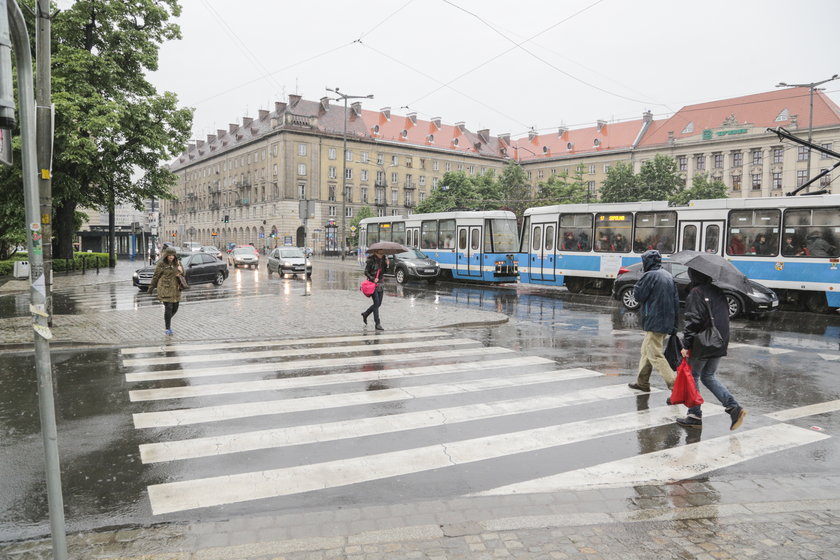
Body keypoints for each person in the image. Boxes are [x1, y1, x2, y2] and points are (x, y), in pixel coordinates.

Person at [677, 268, 747, 430]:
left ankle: (694, 415)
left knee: (693, 376)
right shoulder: (717, 291)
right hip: (719, 340)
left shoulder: (696, 292)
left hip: (704, 342)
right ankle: (733, 408)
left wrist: (686, 345)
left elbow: (693, 320)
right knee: (708, 376)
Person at [628, 250, 679, 392]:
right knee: (646, 351)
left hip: (654, 320)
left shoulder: (650, 275)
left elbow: (638, 296)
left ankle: (675, 385)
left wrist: (637, 284)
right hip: (665, 320)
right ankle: (642, 382)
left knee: (655, 354)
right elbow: (675, 301)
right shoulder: (668, 276)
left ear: (647, 262)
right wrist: (674, 324)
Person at [149, 247, 184, 336]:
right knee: (168, 308)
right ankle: (168, 328)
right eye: (169, 255)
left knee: (175, 308)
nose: (171, 257)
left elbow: (184, 274)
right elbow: (156, 276)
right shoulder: (161, 264)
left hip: (176, 289)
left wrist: (181, 270)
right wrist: (151, 288)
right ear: (166, 255)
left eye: (173, 255)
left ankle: (167, 319)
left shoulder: (178, 263)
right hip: (165, 288)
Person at [361, 248, 387, 331]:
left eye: (383, 251)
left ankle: (365, 314)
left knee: (379, 304)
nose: (383, 253)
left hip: (381, 284)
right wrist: (372, 279)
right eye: (381, 251)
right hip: (373, 284)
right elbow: (366, 272)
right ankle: (377, 323)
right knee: (376, 303)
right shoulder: (371, 260)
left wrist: (387, 264)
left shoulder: (383, 259)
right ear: (376, 252)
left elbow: (384, 271)